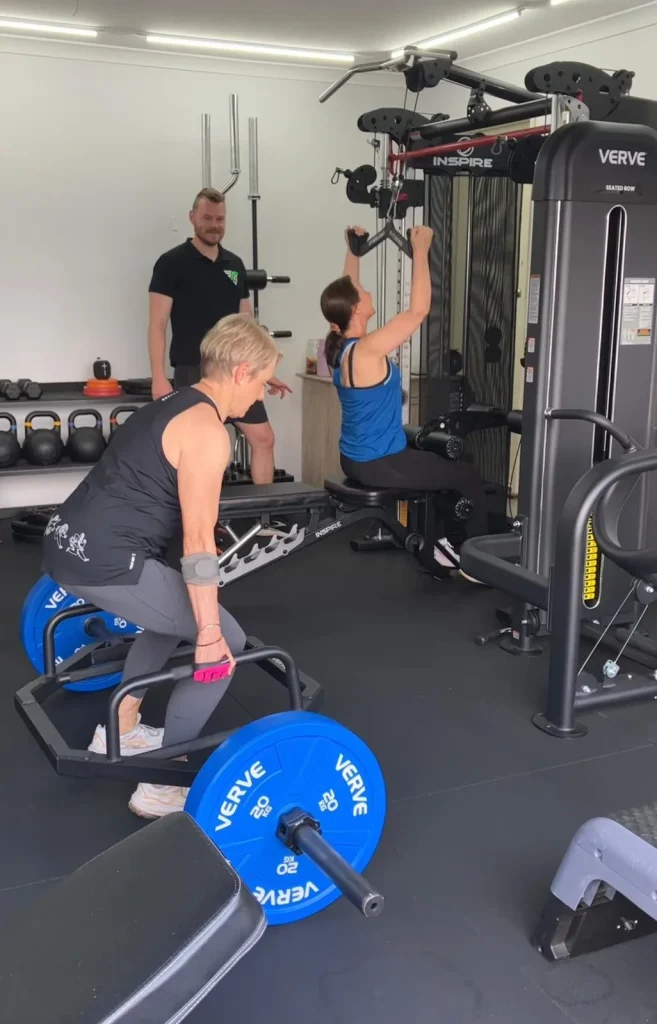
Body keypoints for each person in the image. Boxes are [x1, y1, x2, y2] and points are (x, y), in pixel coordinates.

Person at [42, 314, 280, 819]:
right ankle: (162, 778)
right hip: (106, 561)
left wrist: (197, 614)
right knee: (224, 644)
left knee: (173, 611)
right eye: (260, 381)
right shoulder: (208, 432)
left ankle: (123, 727)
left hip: (65, 542)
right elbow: (197, 542)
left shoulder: (173, 402)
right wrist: (211, 632)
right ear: (240, 373)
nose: (259, 394)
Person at [320, 225, 489, 578]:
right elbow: (417, 312)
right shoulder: (366, 350)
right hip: (380, 462)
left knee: (439, 460)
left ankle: (440, 542)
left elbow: (344, 289)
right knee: (467, 475)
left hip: (355, 458)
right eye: (363, 291)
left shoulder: (340, 349)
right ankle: (477, 563)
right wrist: (421, 249)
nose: (366, 291)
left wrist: (354, 250)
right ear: (356, 310)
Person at [148, 186, 291, 485]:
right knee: (200, 452)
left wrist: (264, 372)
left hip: (238, 372)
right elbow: (157, 325)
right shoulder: (171, 263)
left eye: (220, 219)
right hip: (193, 370)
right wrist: (159, 378)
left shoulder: (234, 266)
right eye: (208, 218)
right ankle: (197, 527)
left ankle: (261, 523)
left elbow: (246, 324)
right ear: (192, 218)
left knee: (264, 439)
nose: (214, 225)